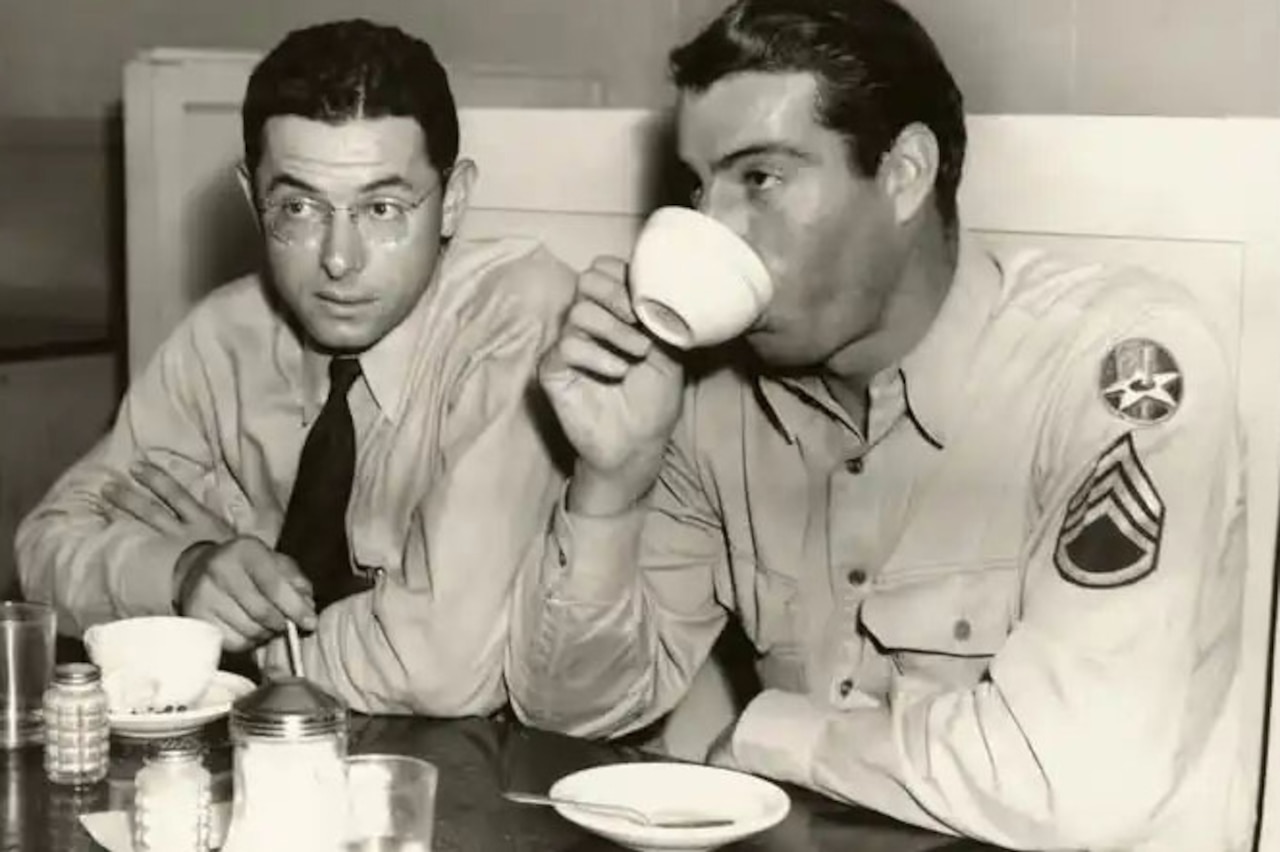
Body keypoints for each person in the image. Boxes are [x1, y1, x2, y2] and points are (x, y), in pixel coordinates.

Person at [505, 0, 1250, 849]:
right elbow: (568, 714)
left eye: (760, 179)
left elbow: (1072, 781)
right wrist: (611, 483)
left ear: (904, 174)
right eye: (697, 186)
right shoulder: (711, 398)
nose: (712, 229)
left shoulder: (1114, 370)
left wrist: (771, 731)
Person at [17, 19, 574, 715]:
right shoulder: (226, 335)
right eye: (300, 207)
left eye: (383, 208)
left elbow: (439, 667)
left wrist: (239, 637)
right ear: (254, 199)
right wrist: (188, 572)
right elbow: (44, 548)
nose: (340, 259)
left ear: (453, 199)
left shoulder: (517, 313)